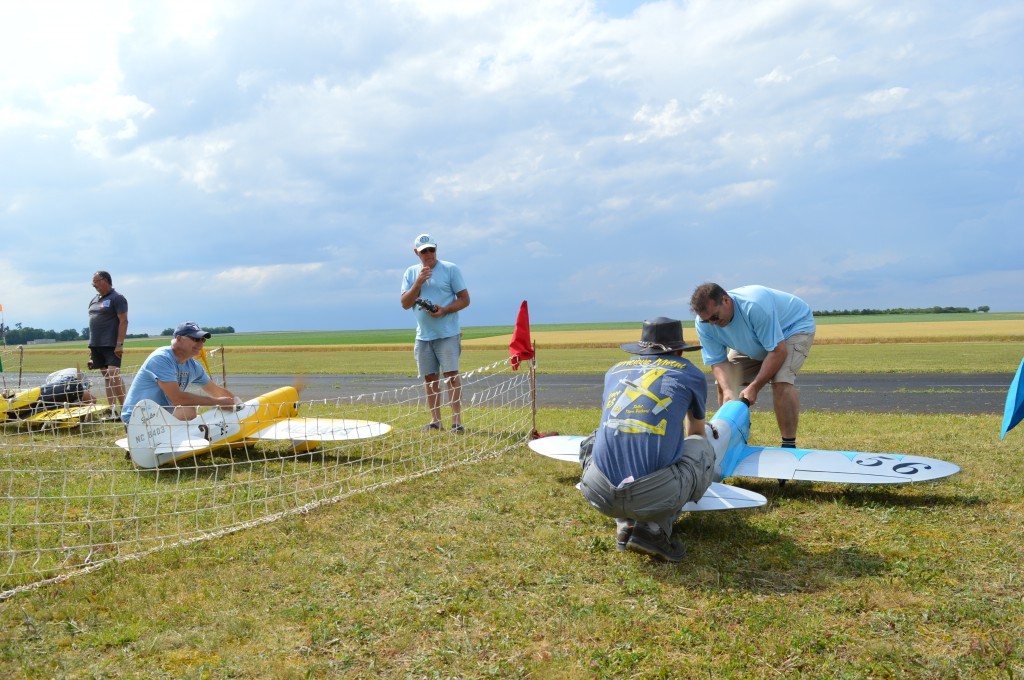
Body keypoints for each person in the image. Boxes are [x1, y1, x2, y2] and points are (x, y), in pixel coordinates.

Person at [578, 317, 714, 562]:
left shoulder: (613, 372)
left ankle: (625, 524)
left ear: (641, 349)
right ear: (680, 350)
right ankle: (654, 529)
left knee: (594, 437)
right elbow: (696, 431)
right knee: (701, 447)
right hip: (654, 495)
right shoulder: (691, 374)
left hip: (599, 492)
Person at [690, 283, 816, 449]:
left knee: (780, 382)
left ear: (726, 301)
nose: (712, 323)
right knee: (725, 384)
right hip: (757, 338)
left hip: (791, 330)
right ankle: (729, 441)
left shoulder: (754, 306)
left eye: (714, 317)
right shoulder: (704, 323)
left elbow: (778, 351)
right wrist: (728, 390)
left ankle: (788, 446)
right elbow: (717, 361)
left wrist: (754, 387)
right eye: (707, 320)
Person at [400, 233, 470, 433]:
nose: (429, 254)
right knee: (430, 379)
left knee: (451, 377)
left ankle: (456, 422)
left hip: (447, 333)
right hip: (423, 336)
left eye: (432, 249)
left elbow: (465, 299)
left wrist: (444, 310)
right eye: (424, 251)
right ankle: (435, 421)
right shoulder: (411, 273)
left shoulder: (450, 269)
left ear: (436, 249)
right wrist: (418, 283)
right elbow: (405, 304)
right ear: (416, 253)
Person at [120, 322, 238, 424]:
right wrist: (216, 402)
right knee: (189, 411)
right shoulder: (161, 358)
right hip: (137, 419)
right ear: (179, 338)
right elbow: (177, 398)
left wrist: (238, 404)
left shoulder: (193, 366)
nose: (200, 344)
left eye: (203, 340)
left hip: (160, 415)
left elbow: (215, 390)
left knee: (189, 411)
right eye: (196, 339)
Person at [88, 271, 128, 418]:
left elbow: (123, 321)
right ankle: (112, 410)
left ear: (105, 280)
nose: (94, 285)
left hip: (111, 344)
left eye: (96, 282)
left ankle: (125, 409)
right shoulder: (94, 299)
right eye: (93, 283)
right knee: (106, 375)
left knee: (113, 373)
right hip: (96, 345)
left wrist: (119, 343)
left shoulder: (117, 298)